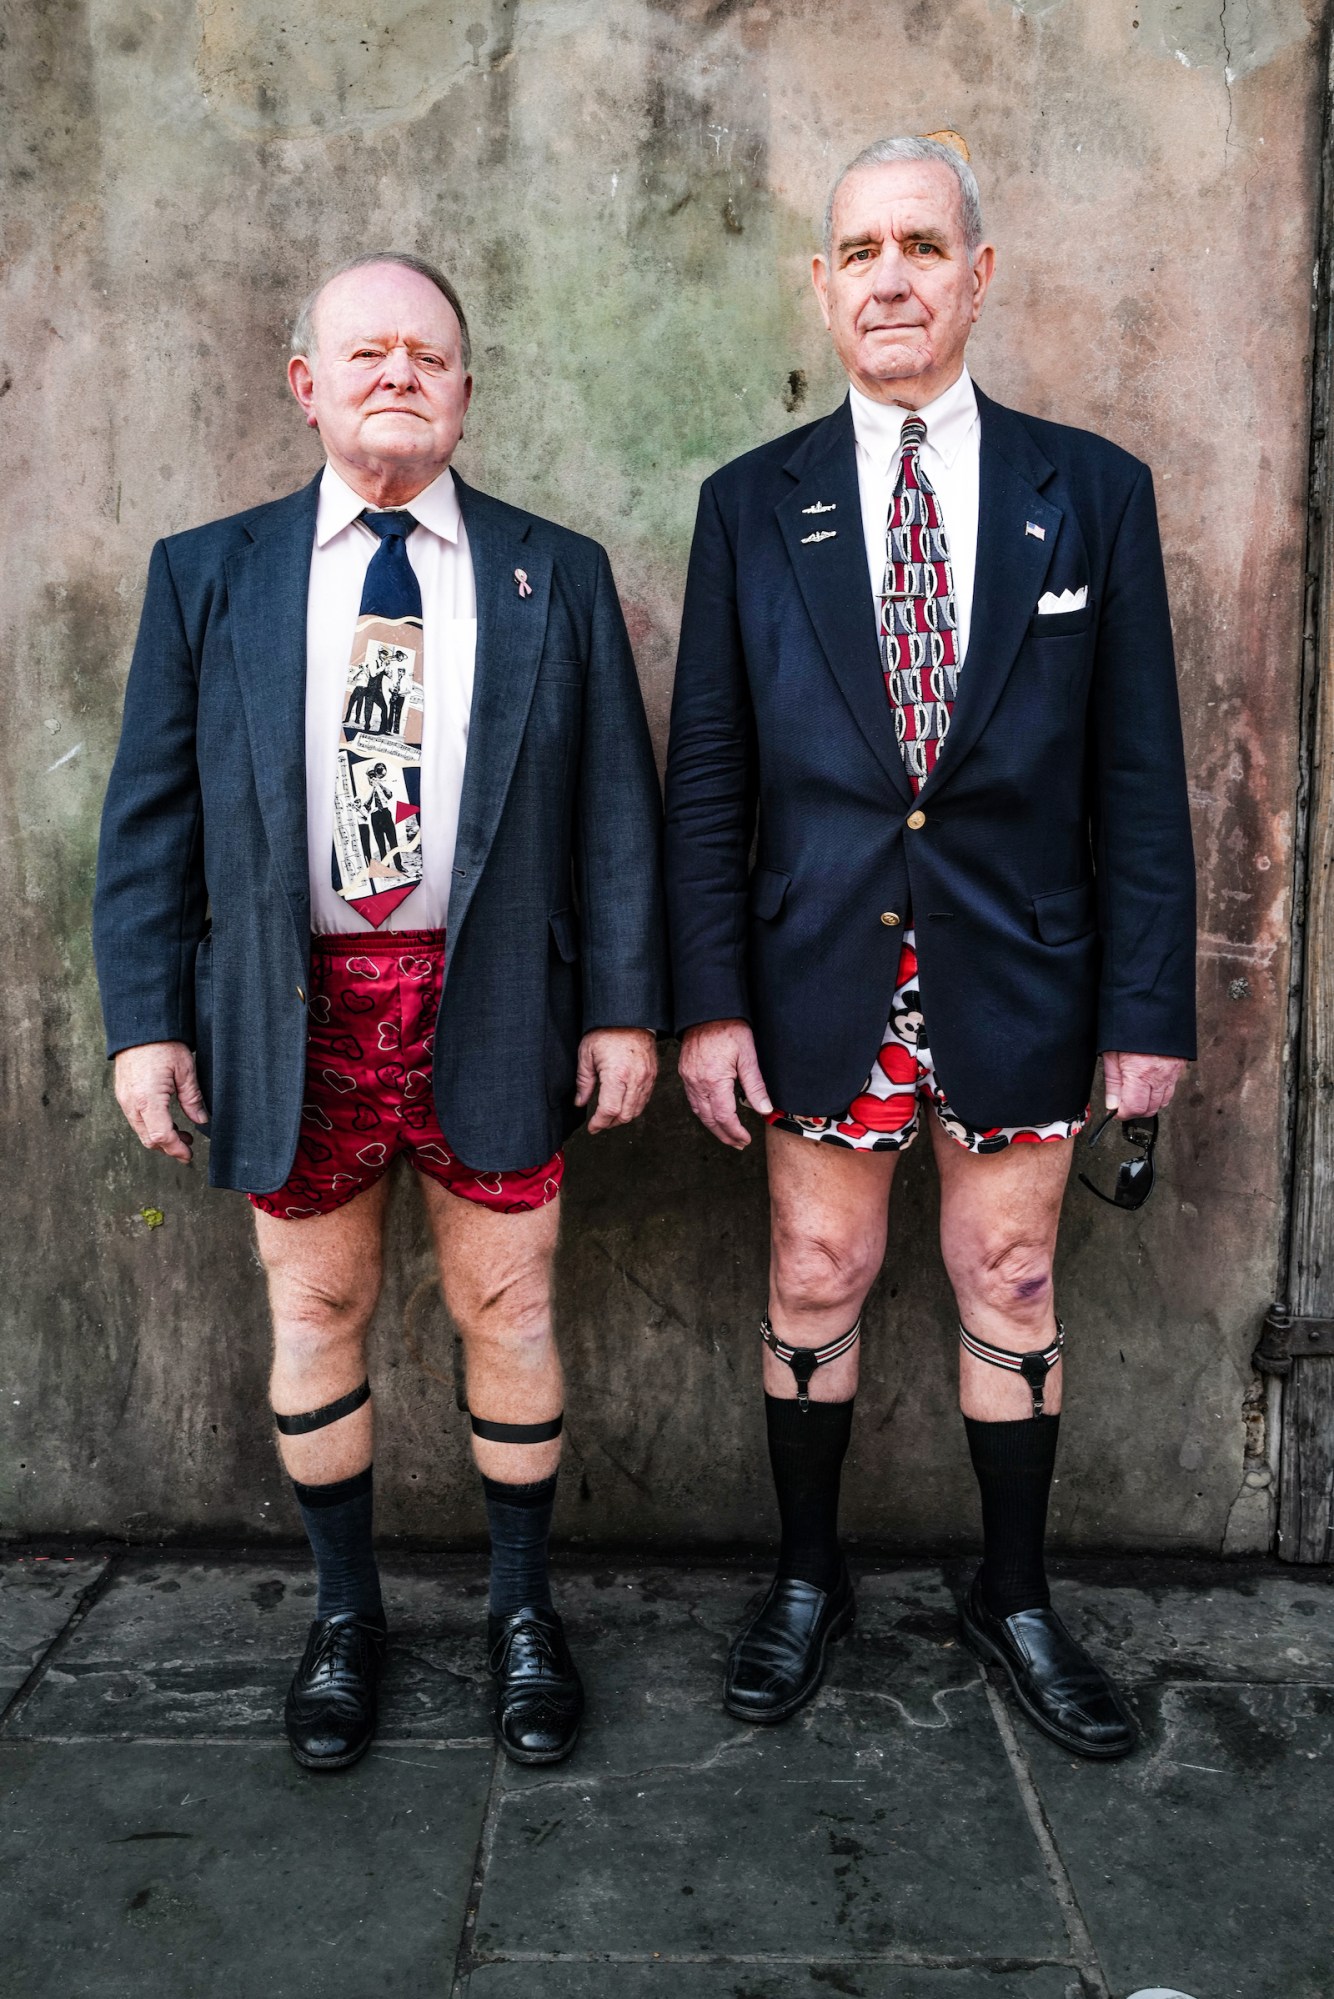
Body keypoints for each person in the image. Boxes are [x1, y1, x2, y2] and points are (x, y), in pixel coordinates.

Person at [95, 251, 669, 1772]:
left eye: (428, 352)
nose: (397, 372)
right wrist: (146, 1022)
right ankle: (345, 1615)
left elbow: (619, 812)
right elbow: (150, 821)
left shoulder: (560, 571)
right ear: (307, 385)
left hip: (492, 1001)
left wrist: (624, 1011)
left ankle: (520, 1613)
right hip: (294, 1013)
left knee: (511, 1309)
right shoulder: (207, 572)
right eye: (364, 354)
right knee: (317, 1311)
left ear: (469, 388)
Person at [664, 136, 1195, 1759]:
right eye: (856, 251)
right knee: (816, 1270)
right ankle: (806, 1580)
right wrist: (703, 1006)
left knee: (1010, 1275)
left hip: (1021, 968)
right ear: (820, 288)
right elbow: (706, 781)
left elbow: (1136, 778)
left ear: (978, 275)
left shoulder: (1087, 493)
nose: (886, 277)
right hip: (818, 964)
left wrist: (1146, 1007)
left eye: (919, 245)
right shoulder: (750, 507)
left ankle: (1015, 1593)